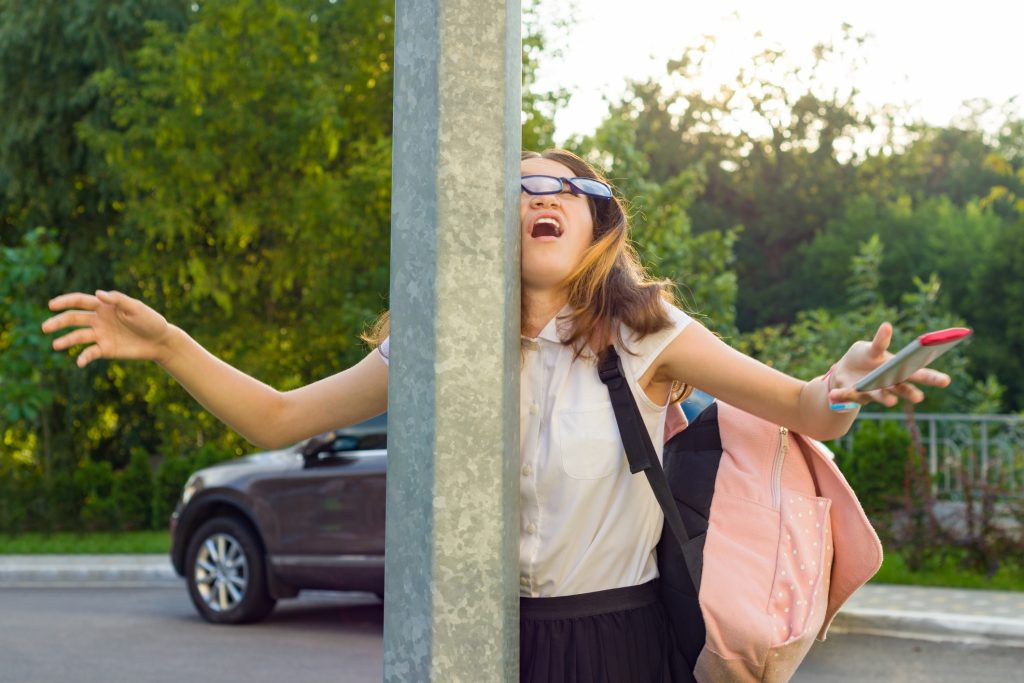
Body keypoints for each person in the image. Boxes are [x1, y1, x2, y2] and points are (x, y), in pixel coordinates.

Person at [42, 148, 950, 682]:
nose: (541, 198)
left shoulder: (648, 333)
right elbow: (280, 420)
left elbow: (799, 405)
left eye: (564, 190)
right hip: (474, 641)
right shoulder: (436, 344)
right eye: (518, 189)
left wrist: (849, 383)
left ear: (599, 226)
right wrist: (170, 346)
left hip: (621, 636)